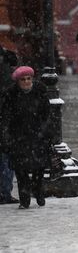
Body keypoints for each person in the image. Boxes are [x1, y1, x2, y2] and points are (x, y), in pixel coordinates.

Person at [2, 67, 51, 208]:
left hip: (37, 136)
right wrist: (6, 136)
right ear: (17, 81)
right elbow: (5, 117)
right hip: (18, 137)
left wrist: (46, 132)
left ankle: (38, 191)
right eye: (23, 79)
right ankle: (24, 198)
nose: (26, 82)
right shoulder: (10, 95)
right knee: (20, 169)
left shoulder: (40, 92)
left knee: (39, 168)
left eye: (29, 78)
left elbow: (47, 115)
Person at [0, 45, 18, 204]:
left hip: (5, 119)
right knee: (6, 157)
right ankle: (4, 192)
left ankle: (4, 192)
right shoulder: (6, 71)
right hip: (5, 119)